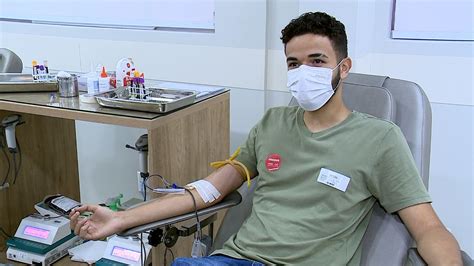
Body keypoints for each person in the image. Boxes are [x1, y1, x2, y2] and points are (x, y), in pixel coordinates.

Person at [70, 12, 462, 265]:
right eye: (293, 63)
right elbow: (205, 192)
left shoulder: (379, 139)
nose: (302, 72)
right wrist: (119, 218)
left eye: (317, 61)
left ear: (343, 67)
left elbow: (428, 228)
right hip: (234, 260)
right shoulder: (273, 124)